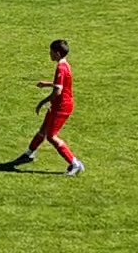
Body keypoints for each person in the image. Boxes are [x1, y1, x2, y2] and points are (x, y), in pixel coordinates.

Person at [15, 39, 84, 177]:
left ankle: (74, 163)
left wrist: (42, 102)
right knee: (43, 130)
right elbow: (61, 85)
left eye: (51, 52)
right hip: (60, 104)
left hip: (62, 107)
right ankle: (29, 154)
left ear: (57, 53)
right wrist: (47, 84)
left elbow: (58, 92)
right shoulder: (65, 65)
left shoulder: (60, 68)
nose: (49, 54)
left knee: (51, 136)